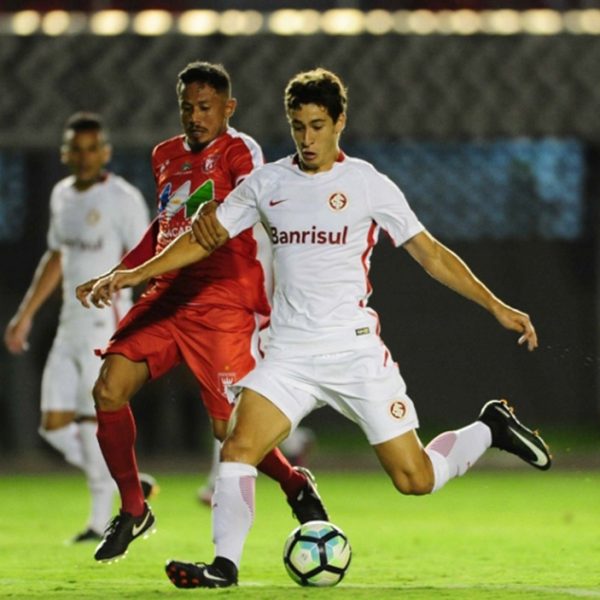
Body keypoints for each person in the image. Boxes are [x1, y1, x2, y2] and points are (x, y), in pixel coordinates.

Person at [85, 68, 552, 588]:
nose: (307, 139)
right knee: (238, 447)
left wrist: (495, 305)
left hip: (352, 351)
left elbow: (430, 254)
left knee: (414, 479)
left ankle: (490, 426)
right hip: (289, 354)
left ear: (339, 123)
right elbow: (205, 236)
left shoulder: (367, 183)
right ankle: (224, 566)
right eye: (297, 126)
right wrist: (133, 274)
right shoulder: (267, 183)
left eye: (317, 125)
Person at [75, 61, 328, 564]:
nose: (195, 116)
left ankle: (295, 482)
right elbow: (164, 228)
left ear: (228, 109)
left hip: (222, 299)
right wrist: (119, 272)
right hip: (169, 293)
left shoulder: (240, 150)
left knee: (229, 432)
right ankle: (132, 508)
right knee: (108, 388)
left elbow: (247, 206)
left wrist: (225, 215)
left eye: (206, 107)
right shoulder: (164, 155)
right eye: (188, 107)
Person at [3, 112, 153, 543]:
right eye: (77, 149)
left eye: (93, 149)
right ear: (65, 153)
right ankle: (131, 484)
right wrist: (26, 314)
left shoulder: (121, 198)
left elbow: (145, 258)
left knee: (92, 420)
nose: (85, 157)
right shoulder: (61, 196)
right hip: (69, 325)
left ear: (105, 152)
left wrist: (142, 319)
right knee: (52, 426)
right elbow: (56, 257)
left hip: (103, 324)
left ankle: (98, 519)